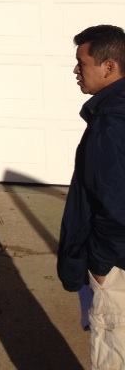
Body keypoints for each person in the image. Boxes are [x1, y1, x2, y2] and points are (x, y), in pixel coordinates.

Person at [58, 24, 125, 369]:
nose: (75, 71)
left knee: (112, 353)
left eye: (81, 64)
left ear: (109, 66)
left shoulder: (111, 124)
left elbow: (117, 208)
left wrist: (101, 265)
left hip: (117, 269)